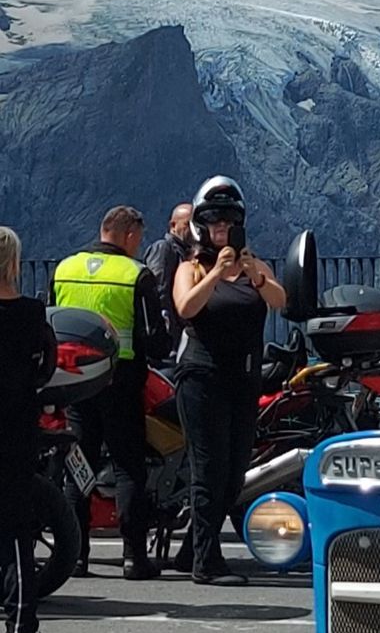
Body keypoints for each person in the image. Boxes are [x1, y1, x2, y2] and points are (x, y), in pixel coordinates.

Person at [171, 177, 286, 585]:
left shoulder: (255, 267)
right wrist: (215, 274)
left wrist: (253, 273)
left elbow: (280, 301)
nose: (222, 227)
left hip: (243, 379)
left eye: (229, 221)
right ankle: (207, 562)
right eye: (215, 221)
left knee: (235, 472)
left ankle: (190, 549)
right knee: (209, 469)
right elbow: (185, 306)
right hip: (202, 377)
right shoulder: (192, 267)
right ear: (204, 226)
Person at [53, 204, 170, 580]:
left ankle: (76, 555)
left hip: (74, 382)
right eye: (139, 237)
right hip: (120, 381)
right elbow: (155, 339)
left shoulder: (65, 268)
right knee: (127, 466)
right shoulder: (136, 274)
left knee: (79, 466)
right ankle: (134, 556)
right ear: (130, 234)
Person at [0, 227, 56, 633]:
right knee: (18, 525)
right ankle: (21, 624)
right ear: (15, 265)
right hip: (17, 426)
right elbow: (46, 366)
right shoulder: (33, 314)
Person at [144, 201, 193, 347]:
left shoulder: (186, 254)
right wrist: (168, 337)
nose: (192, 229)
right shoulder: (164, 249)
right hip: (169, 344)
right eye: (187, 224)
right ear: (173, 225)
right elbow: (158, 292)